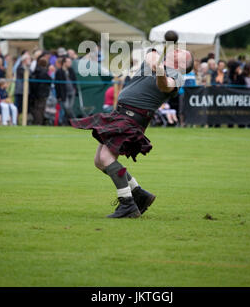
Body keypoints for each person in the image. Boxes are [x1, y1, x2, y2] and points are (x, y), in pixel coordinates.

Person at [70, 45, 194, 219]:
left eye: (180, 53)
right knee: (99, 161)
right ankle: (139, 194)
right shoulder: (155, 59)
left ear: (183, 64)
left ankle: (127, 204)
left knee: (106, 158)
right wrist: (156, 66)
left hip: (133, 118)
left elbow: (166, 86)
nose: (176, 50)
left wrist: (160, 73)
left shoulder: (177, 76)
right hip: (119, 113)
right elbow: (151, 54)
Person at [55, 56, 77, 124]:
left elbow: (74, 80)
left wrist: (74, 89)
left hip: (72, 92)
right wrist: (58, 96)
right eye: (68, 62)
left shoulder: (71, 70)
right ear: (64, 63)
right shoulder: (59, 71)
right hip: (64, 93)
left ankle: (66, 123)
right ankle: (75, 121)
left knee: (69, 108)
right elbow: (57, 85)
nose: (70, 63)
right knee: (67, 108)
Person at [30, 57, 52, 125]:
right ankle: (38, 122)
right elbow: (49, 80)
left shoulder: (36, 71)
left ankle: (37, 122)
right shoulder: (44, 72)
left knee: (37, 107)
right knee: (40, 108)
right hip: (42, 93)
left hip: (36, 92)